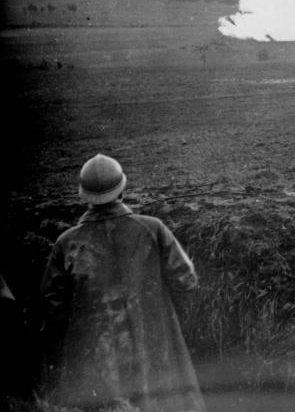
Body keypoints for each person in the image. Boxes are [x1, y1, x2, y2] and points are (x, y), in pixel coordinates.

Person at [41, 154, 206, 412]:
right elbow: (186, 281)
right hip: (155, 351)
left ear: (84, 196)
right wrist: (172, 324)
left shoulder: (67, 242)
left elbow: (52, 308)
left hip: (94, 362)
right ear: (122, 189)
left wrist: (59, 356)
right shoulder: (153, 229)